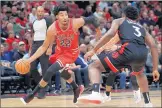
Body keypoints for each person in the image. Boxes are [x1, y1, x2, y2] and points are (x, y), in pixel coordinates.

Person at [79, 6, 160, 107]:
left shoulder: (120, 20)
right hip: (142, 52)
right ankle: (148, 103)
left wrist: (93, 50)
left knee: (94, 66)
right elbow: (153, 46)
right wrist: (155, 69)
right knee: (140, 74)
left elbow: (110, 33)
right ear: (137, 17)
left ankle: (95, 93)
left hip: (128, 49)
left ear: (124, 14)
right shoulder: (141, 27)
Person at [20, 4, 101, 104]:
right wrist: (29, 60)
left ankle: (32, 95)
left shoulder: (75, 22)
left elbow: (92, 18)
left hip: (71, 53)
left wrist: (98, 31)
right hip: (59, 52)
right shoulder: (52, 29)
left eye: (66, 14)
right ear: (57, 17)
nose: (65, 17)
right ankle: (76, 88)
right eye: (61, 15)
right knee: (63, 73)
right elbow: (43, 47)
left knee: (49, 71)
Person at [29, 6, 52, 99]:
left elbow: (52, 34)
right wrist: (31, 47)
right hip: (35, 45)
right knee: (32, 67)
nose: (40, 13)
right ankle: (42, 85)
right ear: (36, 12)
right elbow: (33, 34)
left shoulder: (47, 20)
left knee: (44, 69)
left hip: (44, 44)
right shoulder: (34, 22)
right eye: (39, 11)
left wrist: (50, 47)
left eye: (42, 11)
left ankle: (42, 90)